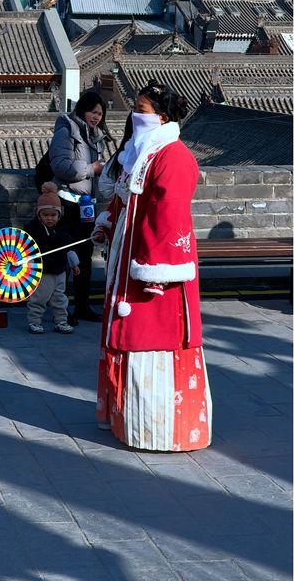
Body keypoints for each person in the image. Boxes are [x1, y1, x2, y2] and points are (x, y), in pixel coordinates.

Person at [91, 83, 212, 452]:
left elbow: (168, 215)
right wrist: (108, 223)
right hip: (129, 254)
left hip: (155, 267)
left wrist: (155, 268)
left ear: (162, 117)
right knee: (129, 332)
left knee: (152, 335)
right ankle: (127, 418)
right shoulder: (140, 153)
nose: (134, 115)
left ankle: (160, 428)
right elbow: (125, 199)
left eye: (141, 110)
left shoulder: (173, 156)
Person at [48, 90, 109, 323]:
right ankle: (61, 311)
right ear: (83, 109)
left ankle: (82, 306)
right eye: (93, 112)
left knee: (84, 256)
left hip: (86, 206)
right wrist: (92, 169)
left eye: (100, 114)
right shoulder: (67, 130)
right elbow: (60, 165)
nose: (96, 117)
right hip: (66, 203)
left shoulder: (96, 135)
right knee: (64, 256)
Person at [24, 183, 80, 334]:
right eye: (45, 215)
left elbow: (68, 247)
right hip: (43, 271)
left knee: (60, 298)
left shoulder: (63, 228)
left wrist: (74, 264)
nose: (49, 218)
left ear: (59, 214)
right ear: (38, 214)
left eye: (53, 215)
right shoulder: (33, 229)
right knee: (39, 298)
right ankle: (35, 322)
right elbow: (26, 248)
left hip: (60, 269)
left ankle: (61, 321)